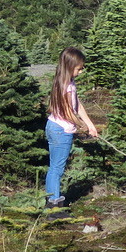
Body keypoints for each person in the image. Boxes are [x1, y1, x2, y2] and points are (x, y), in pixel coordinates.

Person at [45, 47, 98, 208]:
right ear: (69, 66)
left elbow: (77, 105)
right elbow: (69, 112)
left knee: (54, 167)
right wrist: (81, 127)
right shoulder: (65, 86)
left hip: (54, 126)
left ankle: (51, 201)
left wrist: (90, 125)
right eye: (79, 69)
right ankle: (54, 205)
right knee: (57, 169)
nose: (81, 72)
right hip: (61, 131)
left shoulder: (67, 82)